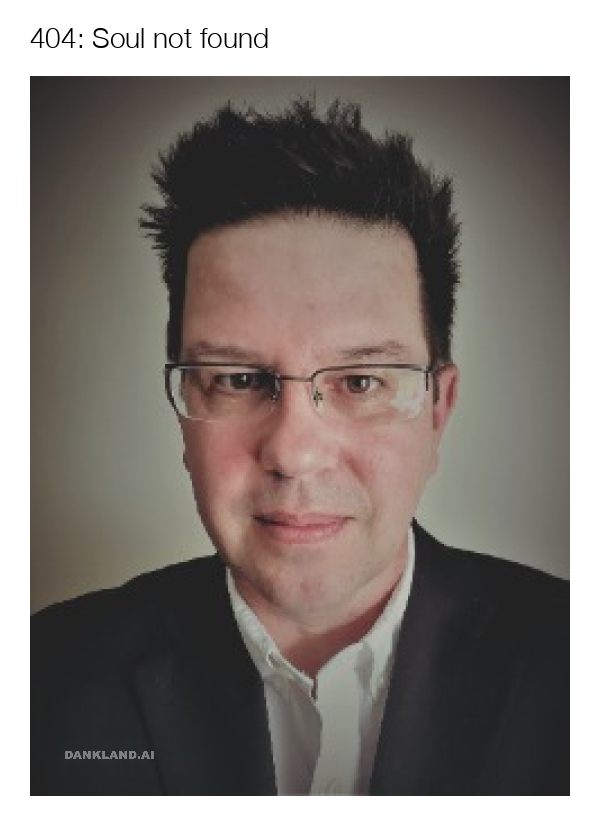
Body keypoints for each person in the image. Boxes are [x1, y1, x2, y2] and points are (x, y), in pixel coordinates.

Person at [31, 99, 569, 795]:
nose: (294, 452)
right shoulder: (39, 679)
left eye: (361, 381)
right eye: (237, 379)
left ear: (438, 410)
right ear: (184, 410)